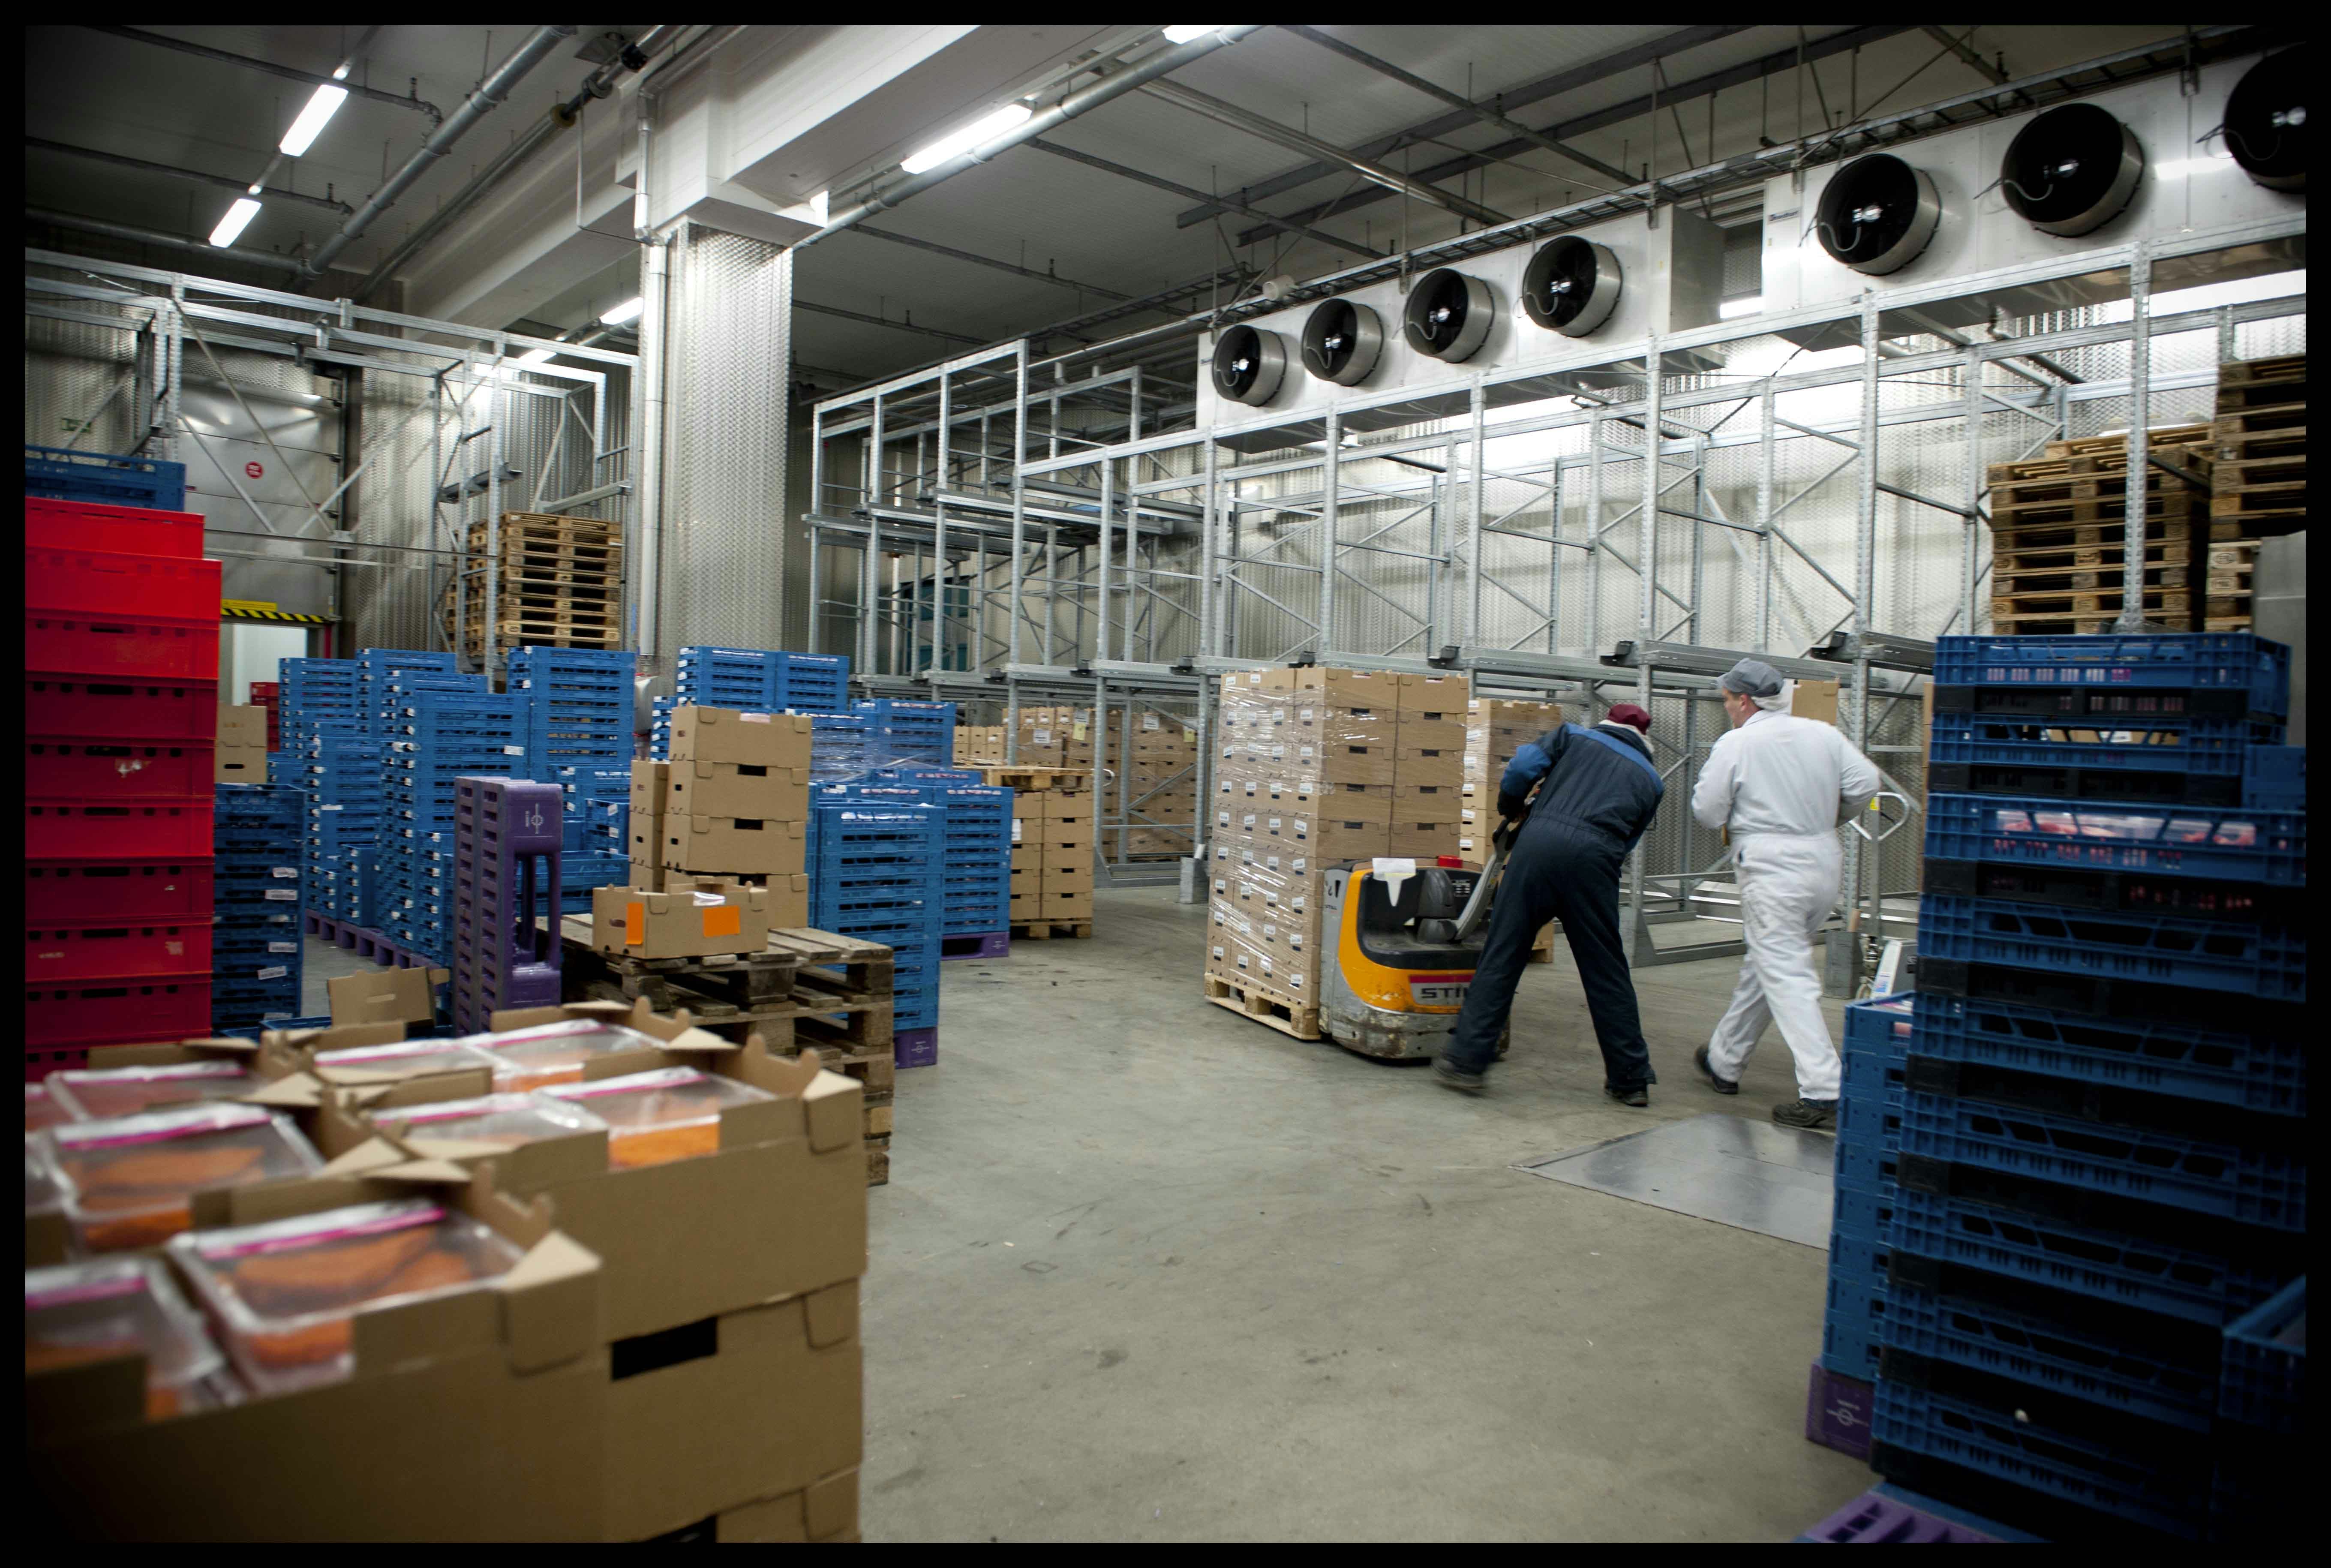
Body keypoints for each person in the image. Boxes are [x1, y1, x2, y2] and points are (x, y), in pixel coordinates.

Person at [1434, 703, 1666, 1105]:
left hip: (1539, 848)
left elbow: (1524, 765)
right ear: (1643, 740)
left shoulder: (1573, 736)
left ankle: (1466, 1061)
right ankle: (1630, 1080)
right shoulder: (1651, 779)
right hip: (1597, 861)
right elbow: (1631, 839)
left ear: (1607, 723)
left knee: (1504, 952)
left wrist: (1511, 805)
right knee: (1606, 971)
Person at [1689, 659, 1881, 1131]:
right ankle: (1724, 1059)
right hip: (1822, 858)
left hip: (1772, 866)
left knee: (1786, 974)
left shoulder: (1738, 742)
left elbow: (1707, 811)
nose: (1727, 708)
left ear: (1744, 701)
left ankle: (1824, 1088)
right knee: (1767, 965)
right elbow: (1865, 784)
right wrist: (1828, 818)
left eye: (1727, 700)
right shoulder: (1822, 734)